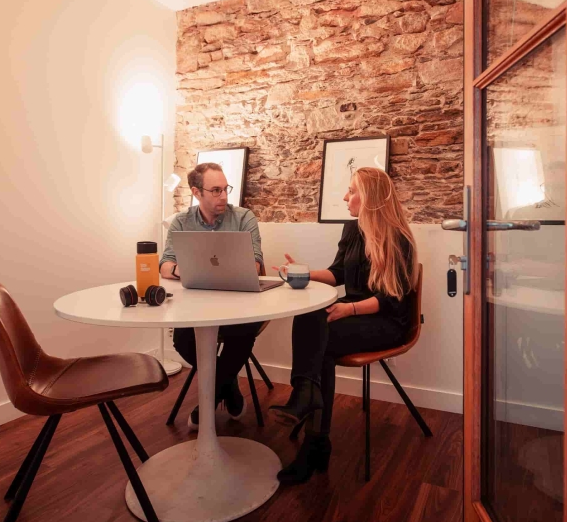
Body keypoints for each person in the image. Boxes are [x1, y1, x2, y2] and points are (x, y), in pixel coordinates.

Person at [269, 167, 417, 484]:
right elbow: (337, 273)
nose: (345, 197)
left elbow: (391, 299)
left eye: (352, 190)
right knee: (311, 314)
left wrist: (349, 308)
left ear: (370, 198)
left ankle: (314, 435)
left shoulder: (398, 238)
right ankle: (309, 409)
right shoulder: (352, 230)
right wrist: (302, 272)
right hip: (354, 313)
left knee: (321, 339)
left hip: (386, 321)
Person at [160, 162, 264, 431]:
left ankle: (210, 399)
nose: (224, 196)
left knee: (242, 334)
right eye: (216, 190)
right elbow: (165, 265)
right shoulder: (181, 222)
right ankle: (229, 386)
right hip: (196, 305)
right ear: (196, 192)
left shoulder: (243, 218)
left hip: (240, 304)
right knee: (182, 341)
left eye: (226, 189)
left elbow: (255, 265)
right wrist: (182, 269)